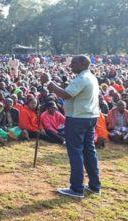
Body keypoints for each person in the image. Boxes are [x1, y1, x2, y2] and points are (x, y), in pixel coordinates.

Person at [41, 55, 101, 198]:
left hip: (77, 119)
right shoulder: (90, 77)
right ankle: (94, 185)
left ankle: (76, 188)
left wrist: (49, 83)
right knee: (89, 151)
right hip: (89, 117)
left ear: (82, 63)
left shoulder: (82, 78)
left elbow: (67, 95)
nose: (70, 65)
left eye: (73, 63)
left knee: (76, 151)